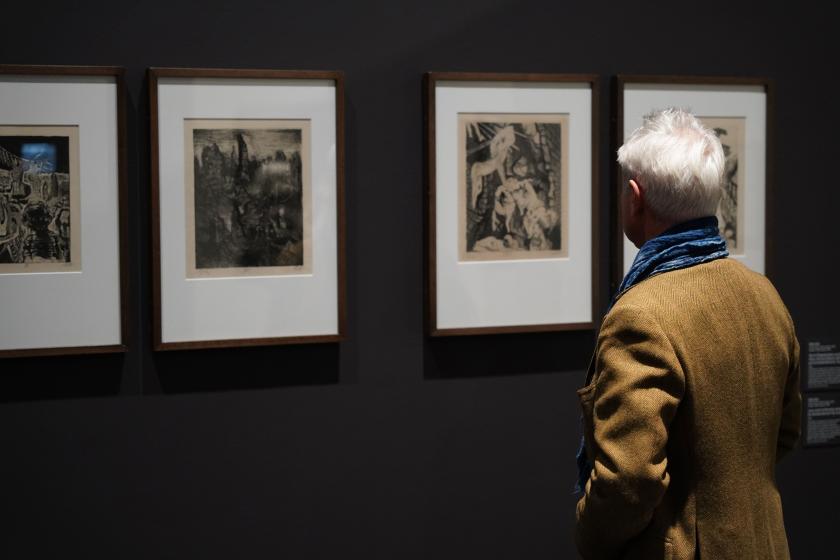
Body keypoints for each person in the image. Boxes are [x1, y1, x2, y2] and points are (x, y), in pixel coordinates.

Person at [574, 107, 801, 559]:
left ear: (636, 198)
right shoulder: (764, 294)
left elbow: (628, 479)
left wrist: (588, 533)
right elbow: (786, 432)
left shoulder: (640, 315)